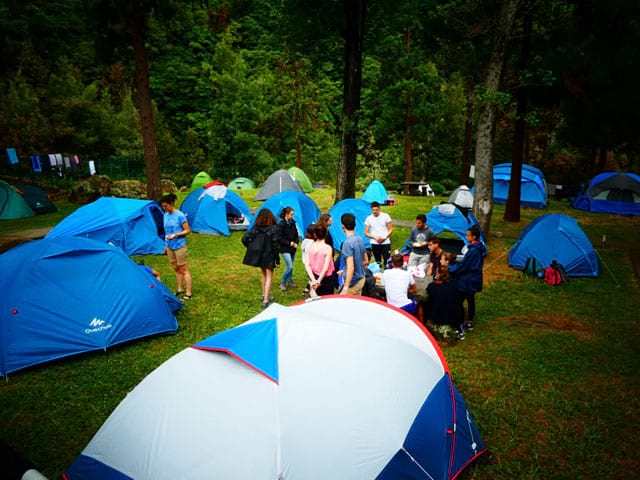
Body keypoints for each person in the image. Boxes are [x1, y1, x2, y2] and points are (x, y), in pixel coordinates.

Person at [448, 224, 486, 330]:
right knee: (470, 300)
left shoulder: (473, 251)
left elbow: (464, 266)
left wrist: (450, 268)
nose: (466, 237)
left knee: (459, 301)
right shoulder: (477, 248)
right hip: (474, 278)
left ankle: (461, 322)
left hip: (469, 280)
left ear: (474, 237)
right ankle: (469, 321)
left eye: (468, 235)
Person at [242, 208, 281, 308]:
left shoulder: (256, 228)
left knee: (263, 274)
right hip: (268, 255)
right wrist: (277, 260)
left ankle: (264, 295)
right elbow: (276, 245)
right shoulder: (274, 229)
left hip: (259, 255)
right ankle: (266, 300)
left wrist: (252, 248)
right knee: (269, 276)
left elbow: (245, 239)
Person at [160, 193, 192, 300]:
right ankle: (179, 289)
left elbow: (188, 231)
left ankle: (188, 293)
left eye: (166, 206)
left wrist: (176, 235)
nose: (164, 208)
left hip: (179, 245)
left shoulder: (180, 215)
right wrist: (166, 245)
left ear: (172, 204)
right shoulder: (165, 215)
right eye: (163, 206)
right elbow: (166, 232)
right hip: (170, 246)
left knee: (183, 269)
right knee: (175, 268)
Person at [425, 265, 465, 339]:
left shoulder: (433, 286)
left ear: (439, 274)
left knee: (425, 303)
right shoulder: (455, 285)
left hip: (438, 318)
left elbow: (429, 298)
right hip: (453, 317)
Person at [382, 252, 418, 317]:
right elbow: (414, 289)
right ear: (403, 263)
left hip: (391, 307)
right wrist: (405, 289)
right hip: (404, 307)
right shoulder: (407, 274)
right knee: (419, 302)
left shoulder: (386, 272)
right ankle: (419, 322)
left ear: (392, 264)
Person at [339, 213, 367, 295]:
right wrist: (344, 270)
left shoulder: (347, 243)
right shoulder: (360, 239)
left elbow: (351, 267)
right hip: (361, 279)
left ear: (342, 226)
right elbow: (366, 261)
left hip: (353, 283)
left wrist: (345, 288)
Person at [304, 224, 335, 296]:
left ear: (315, 234)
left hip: (314, 275)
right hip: (326, 278)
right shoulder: (327, 248)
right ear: (326, 234)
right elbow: (325, 268)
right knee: (327, 299)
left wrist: (313, 280)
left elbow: (307, 264)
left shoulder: (310, 246)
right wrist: (318, 281)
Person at [364, 201, 394, 267]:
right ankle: (379, 274)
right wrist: (375, 237)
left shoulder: (385, 216)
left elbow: (391, 229)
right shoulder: (369, 219)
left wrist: (385, 237)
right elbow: (366, 233)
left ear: (379, 209)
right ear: (371, 210)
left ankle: (387, 273)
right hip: (375, 242)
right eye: (373, 210)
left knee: (387, 261)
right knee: (378, 262)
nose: (375, 211)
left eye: (376, 210)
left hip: (385, 242)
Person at [277, 206, 299, 291]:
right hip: (284, 248)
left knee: (291, 266)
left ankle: (289, 280)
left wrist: (296, 242)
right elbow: (279, 238)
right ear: (286, 214)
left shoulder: (293, 223)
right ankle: (282, 283)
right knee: (289, 266)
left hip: (293, 248)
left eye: (293, 214)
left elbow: (296, 234)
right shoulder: (281, 224)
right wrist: (290, 243)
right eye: (291, 214)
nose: (292, 216)